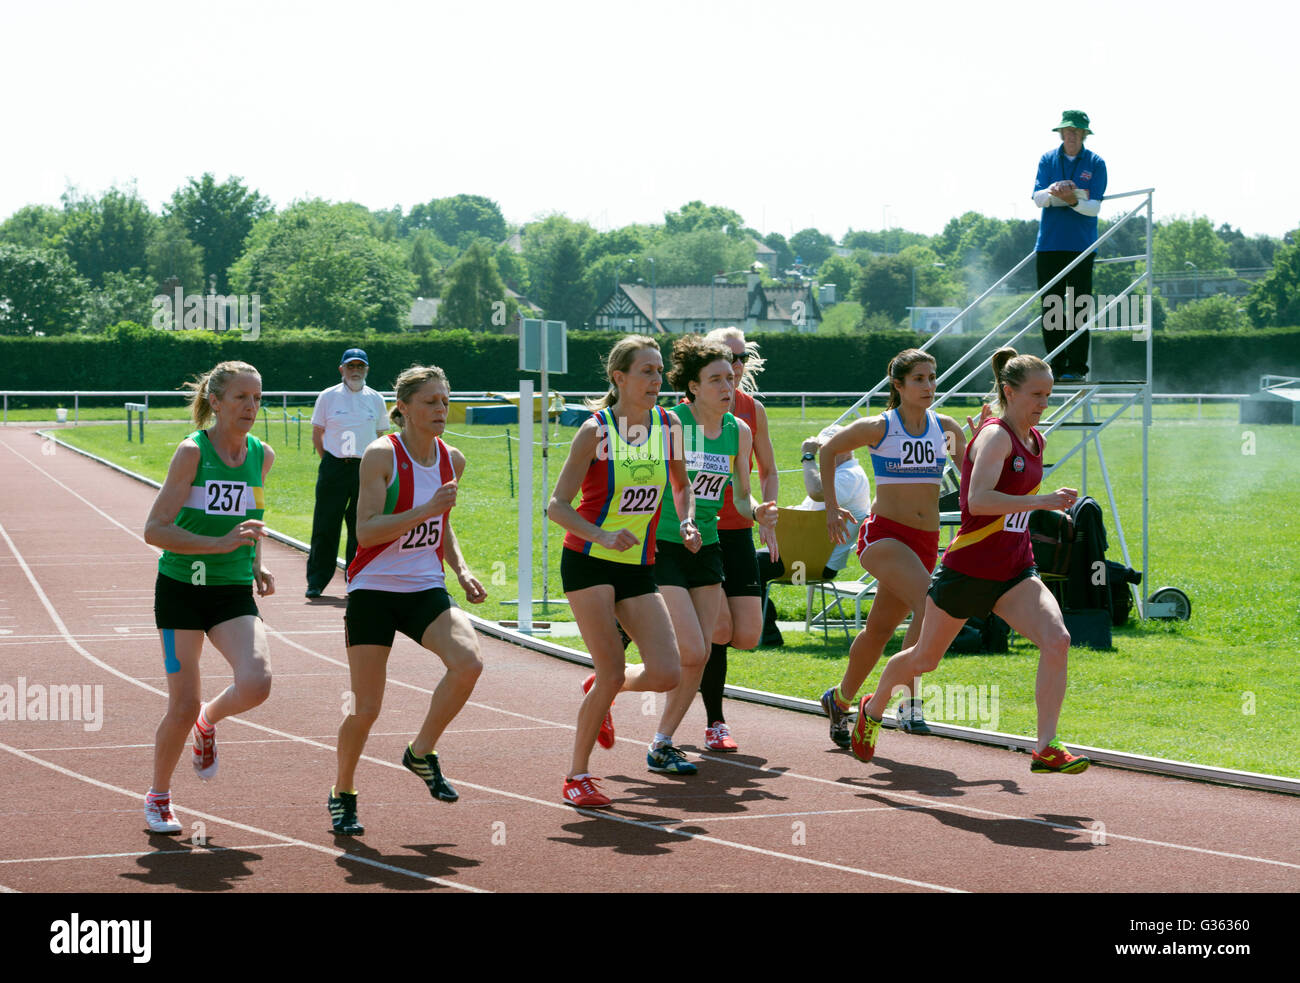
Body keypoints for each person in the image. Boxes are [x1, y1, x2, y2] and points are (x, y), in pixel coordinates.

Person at [849, 347, 1090, 775]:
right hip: (969, 568)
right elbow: (977, 501)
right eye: (1036, 394)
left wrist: (1035, 504)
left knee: (1058, 640)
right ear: (1009, 391)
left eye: (1048, 395)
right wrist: (1044, 501)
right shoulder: (996, 436)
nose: (1043, 403)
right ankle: (874, 707)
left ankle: (1046, 745)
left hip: (1015, 569)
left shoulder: (1037, 439)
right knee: (924, 659)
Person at [330, 365, 487, 836]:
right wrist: (425, 510)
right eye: (430, 402)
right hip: (374, 589)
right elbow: (366, 531)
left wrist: (461, 568)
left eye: (445, 401)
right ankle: (343, 792)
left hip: (424, 586)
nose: (441, 410)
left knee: (469, 662)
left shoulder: (451, 459)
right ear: (403, 408)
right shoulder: (380, 455)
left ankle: (420, 752)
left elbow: (443, 523)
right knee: (366, 708)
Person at [549, 335, 699, 808]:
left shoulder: (669, 424)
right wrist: (602, 536)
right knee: (612, 667)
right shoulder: (595, 432)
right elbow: (556, 507)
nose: (657, 380)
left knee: (667, 671)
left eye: (659, 371)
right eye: (646, 372)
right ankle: (577, 776)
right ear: (620, 378)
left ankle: (599, 687)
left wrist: (688, 518)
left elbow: (682, 485)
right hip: (589, 562)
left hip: (638, 565)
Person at [816, 350, 982, 747]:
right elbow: (826, 450)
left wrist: (984, 436)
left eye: (932, 378)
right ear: (899, 385)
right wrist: (832, 509)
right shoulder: (879, 427)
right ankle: (905, 701)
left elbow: (973, 472)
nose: (929, 386)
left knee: (879, 631)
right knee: (931, 604)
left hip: (924, 542)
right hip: (884, 536)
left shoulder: (945, 428)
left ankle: (839, 699)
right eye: (919, 379)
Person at [142, 361, 275, 834]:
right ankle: (159, 796)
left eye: (257, 398)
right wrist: (218, 544)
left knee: (257, 682)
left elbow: (250, 518)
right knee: (180, 704)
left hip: (231, 590)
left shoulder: (263, 455)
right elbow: (154, 530)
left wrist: (256, 561)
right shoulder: (191, 453)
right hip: (181, 591)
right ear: (215, 402)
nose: (251, 407)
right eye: (241, 397)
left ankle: (209, 721)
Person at [650, 336, 777, 767]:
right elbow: (670, 484)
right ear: (693, 387)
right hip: (665, 543)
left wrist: (760, 511)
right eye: (716, 379)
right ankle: (612, 683)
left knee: (702, 653)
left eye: (730, 377)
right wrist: (682, 519)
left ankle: (662, 741)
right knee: (688, 648)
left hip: (708, 546)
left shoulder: (738, 431)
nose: (728, 385)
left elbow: (740, 499)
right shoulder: (672, 424)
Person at [697, 326, 779, 751]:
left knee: (747, 633)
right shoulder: (681, 415)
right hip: (696, 537)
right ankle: (716, 721)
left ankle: (648, 630)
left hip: (739, 531)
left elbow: (767, 469)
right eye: (727, 359)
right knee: (718, 630)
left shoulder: (751, 412)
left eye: (741, 357)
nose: (736, 366)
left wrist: (768, 513)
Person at [753, 422, 873, 647]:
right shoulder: (843, 474)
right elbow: (811, 508)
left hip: (815, 561)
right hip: (806, 553)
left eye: (825, 448)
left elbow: (817, 493)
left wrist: (807, 457)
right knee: (747, 561)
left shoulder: (849, 477)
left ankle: (765, 632)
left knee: (748, 564)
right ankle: (761, 628)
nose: (822, 454)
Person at [306, 348, 389, 598]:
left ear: (367, 370)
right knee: (325, 524)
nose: (355, 371)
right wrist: (331, 461)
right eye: (351, 366)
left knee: (360, 527)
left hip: (366, 469)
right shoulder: (328, 397)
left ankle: (356, 579)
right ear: (341, 369)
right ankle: (317, 581)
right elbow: (317, 433)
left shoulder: (376, 398)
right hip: (334, 466)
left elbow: (380, 436)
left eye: (360, 366)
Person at [1034, 109, 1106, 382]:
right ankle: (1052, 366)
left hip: (1081, 246)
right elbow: (1038, 198)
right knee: (1051, 306)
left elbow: (1093, 207)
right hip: (1049, 245)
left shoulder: (1096, 163)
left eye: (1077, 131)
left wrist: (1072, 201)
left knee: (1078, 306)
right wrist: (1057, 193)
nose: (1072, 135)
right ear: (1061, 132)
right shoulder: (1047, 159)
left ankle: (1075, 368)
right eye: (1068, 130)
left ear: (1085, 133)